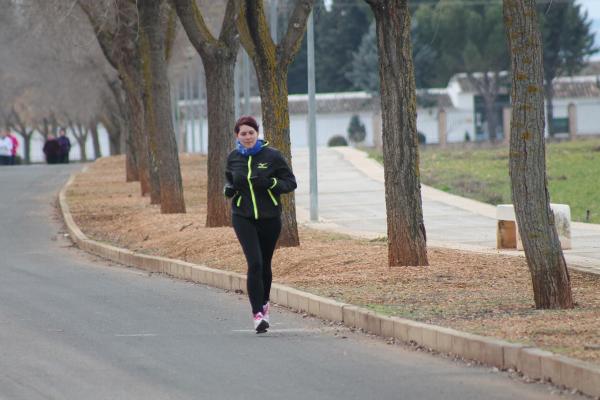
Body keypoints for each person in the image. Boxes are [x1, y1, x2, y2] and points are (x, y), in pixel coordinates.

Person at [224, 116, 297, 333]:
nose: (247, 137)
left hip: (269, 217)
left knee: (265, 264)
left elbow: (290, 182)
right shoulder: (233, 158)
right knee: (254, 263)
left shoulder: (272, 156)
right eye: (243, 133)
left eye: (251, 133)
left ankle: (264, 304)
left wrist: (269, 183)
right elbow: (230, 180)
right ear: (237, 136)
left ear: (257, 134)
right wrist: (229, 190)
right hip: (242, 216)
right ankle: (257, 315)